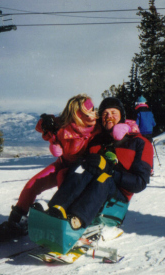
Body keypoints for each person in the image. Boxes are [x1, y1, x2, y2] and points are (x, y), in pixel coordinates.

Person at [0, 94, 139, 241]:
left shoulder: (97, 125)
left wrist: (126, 128)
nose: (94, 114)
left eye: (93, 109)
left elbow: (129, 123)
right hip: (63, 164)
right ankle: (15, 221)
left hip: (82, 169)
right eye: (89, 111)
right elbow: (42, 126)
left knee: (66, 183)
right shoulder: (65, 125)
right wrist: (45, 123)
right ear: (78, 115)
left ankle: (65, 219)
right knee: (33, 184)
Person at [46, 97, 153, 230]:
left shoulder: (139, 142)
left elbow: (140, 182)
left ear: (122, 116)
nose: (109, 117)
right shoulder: (96, 141)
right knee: (81, 167)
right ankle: (57, 208)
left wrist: (111, 171)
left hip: (117, 198)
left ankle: (76, 221)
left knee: (104, 179)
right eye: (105, 114)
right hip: (92, 191)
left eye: (114, 113)